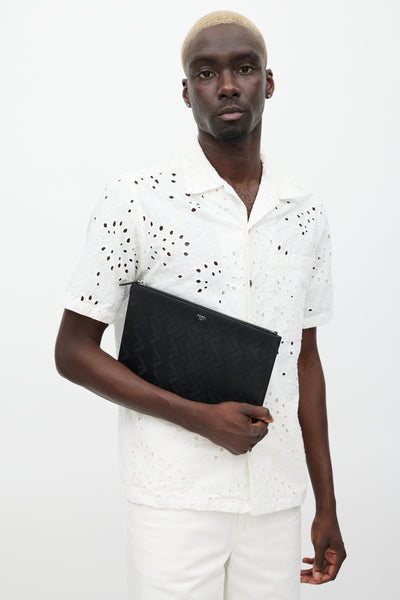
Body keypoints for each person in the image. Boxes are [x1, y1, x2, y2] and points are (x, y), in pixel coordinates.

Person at [55, 10, 346, 600]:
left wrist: (327, 504)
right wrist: (198, 417)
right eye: (206, 73)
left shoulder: (304, 211)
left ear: (269, 82)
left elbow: (305, 362)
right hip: (174, 498)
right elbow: (72, 352)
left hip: (275, 497)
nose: (228, 85)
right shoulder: (136, 200)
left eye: (244, 68)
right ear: (187, 92)